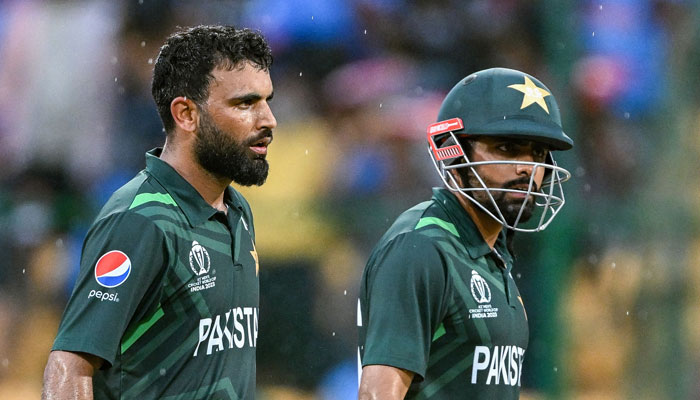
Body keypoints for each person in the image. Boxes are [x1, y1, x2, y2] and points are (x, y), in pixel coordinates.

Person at [42, 25, 276, 399]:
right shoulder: (141, 220)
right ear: (185, 114)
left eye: (266, 100)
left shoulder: (237, 211)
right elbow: (70, 363)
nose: (268, 120)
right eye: (245, 104)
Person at [357, 67, 574, 399]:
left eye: (538, 153)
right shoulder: (421, 247)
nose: (527, 168)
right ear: (455, 150)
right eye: (507, 148)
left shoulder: (494, 252)